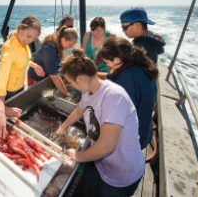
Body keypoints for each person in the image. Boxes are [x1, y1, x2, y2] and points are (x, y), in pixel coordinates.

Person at [55, 47, 144, 196]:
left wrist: (79, 156)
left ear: (81, 78)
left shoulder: (114, 96)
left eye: (71, 82)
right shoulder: (88, 90)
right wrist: (63, 126)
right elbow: (80, 110)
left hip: (121, 174)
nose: (70, 86)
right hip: (100, 164)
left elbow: (107, 146)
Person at [95, 37, 159, 149]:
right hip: (145, 129)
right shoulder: (137, 65)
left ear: (117, 60)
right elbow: (110, 77)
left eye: (107, 62)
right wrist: (92, 74)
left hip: (133, 140)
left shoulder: (126, 79)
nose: (107, 66)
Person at [0, 16, 45, 138]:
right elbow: (2, 79)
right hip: (9, 91)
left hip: (21, 86)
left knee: (19, 118)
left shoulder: (22, 41)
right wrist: (1, 110)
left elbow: (21, 59)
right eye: (29, 36)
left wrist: (33, 65)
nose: (30, 41)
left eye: (34, 38)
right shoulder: (9, 49)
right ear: (20, 28)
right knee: (9, 124)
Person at [27, 26, 78, 95]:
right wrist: (66, 94)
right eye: (70, 44)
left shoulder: (56, 44)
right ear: (63, 39)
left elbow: (56, 62)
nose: (71, 47)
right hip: (35, 80)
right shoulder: (49, 50)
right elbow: (55, 77)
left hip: (45, 77)